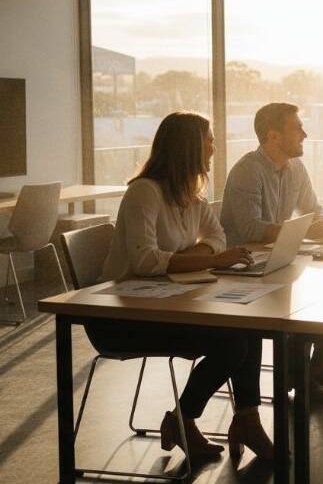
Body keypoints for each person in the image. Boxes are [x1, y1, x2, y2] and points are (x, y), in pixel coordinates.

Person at [95, 112, 273, 463]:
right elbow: (146, 262)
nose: (214, 146)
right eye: (208, 138)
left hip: (167, 302)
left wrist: (188, 256)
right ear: (188, 147)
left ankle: (245, 420)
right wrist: (208, 259)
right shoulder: (143, 192)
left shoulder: (191, 194)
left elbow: (217, 237)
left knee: (248, 327)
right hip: (121, 319)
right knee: (233, 341)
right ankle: (183, 419)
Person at [220, 102, 323, 395]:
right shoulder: (247, 171)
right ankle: (296, 372)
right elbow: (250, 231)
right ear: (273, 137)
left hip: (278, 258)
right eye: (297, 128)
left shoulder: (295, 167)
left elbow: (313, 209)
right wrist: (305, 230)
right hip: (243, 266)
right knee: (306, 293)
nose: (305, 134)